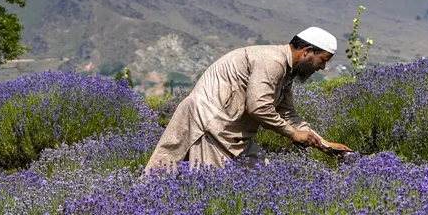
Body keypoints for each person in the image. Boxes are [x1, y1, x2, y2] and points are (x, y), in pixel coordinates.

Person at [144, 26, 352, 173]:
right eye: (322, 60)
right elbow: (258, 107)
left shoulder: (287, 71)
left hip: (229, 129)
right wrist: (292, 133)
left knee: (259, 176)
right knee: (213, 185)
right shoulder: (273, 62)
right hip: (209, 122)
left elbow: (287, 113)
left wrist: (324, 144)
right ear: (307, 51)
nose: (322, 67)